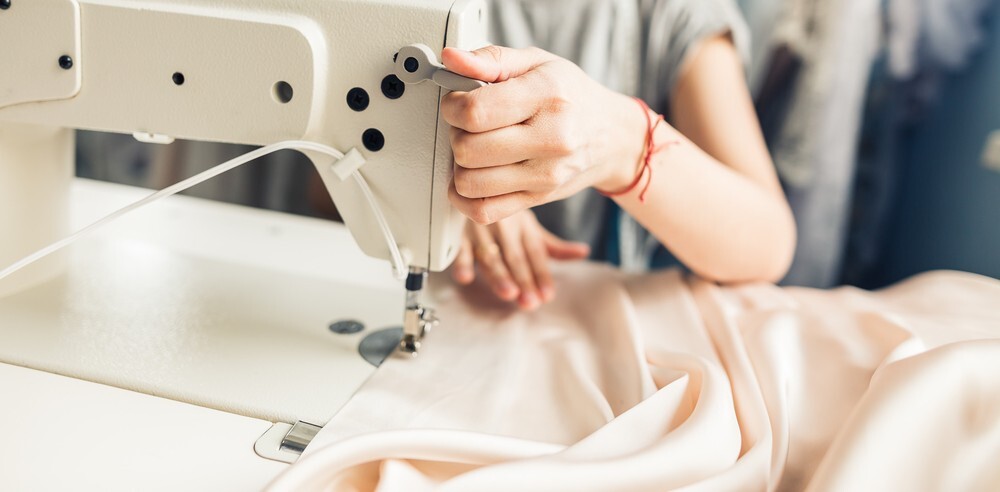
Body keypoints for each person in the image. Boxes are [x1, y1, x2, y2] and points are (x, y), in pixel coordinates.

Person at [443, 0, 796, 310]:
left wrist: (624, 144)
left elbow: (769, 242)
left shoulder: (675, 12)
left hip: (592, 321)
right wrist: (450, 186)